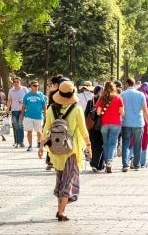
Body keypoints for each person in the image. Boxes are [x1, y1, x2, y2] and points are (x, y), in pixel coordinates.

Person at [43, 80, 90, 222]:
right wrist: (88, 146)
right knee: (68, 181)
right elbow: (83, 130)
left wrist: (41, 146)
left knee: (60, 179)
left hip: (56, 150)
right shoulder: (76, 109)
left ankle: (60, 209)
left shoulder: (51, 109)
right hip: (71, 150)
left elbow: (46, 129)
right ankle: (61, 211)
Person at [119, 78, 148, 172]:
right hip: (138, 123)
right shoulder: (140, 94)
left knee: (125, 144)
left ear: (126, 83)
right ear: (134, 84)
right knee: (138, 144)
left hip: (126, 123)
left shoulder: (123, 94)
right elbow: (145, 110)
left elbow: (120, 110)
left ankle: (125, 165)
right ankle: (137, 164)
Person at [96, 81, 123, 173]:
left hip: (104, 124)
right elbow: (122, 113)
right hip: (116, 123)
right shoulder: (118, 98)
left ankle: (106, 161)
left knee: (106, 144)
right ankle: (109, 162)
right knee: (112, 144)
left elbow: (98, 112)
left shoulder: (101, 98)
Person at [22, 80, 47, 153]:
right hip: (28, 116)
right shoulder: (27, 95)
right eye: (35, 85)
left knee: (39, 131)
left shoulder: (40, 94)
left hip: (38, 116)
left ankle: (39, 142)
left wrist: (46, 113)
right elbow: (24, 106)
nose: (37, 87)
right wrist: (21, 115)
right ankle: (30, 145)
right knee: (29, 131)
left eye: (37, 85)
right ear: (31, 86)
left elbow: (44, 105)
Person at [7, 77, 28, 149]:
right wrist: (7, 109)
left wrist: (23, 101)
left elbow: (28, 98)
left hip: (22, 110)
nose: (16, 83)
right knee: (15, 127)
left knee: (20, 125)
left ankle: (21, 142)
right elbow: (9, 100)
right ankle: (16, 142)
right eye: (14, 82)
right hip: (14, 110)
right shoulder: (11, 90)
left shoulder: (24, 89)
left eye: (17, 82)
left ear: (20, 82)